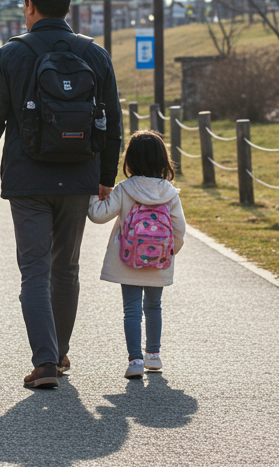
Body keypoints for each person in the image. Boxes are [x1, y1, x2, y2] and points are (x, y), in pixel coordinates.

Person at [0, 0, 122, 389]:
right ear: (68, 6)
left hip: (28, 179)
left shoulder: (13, 54)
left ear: (29, 6)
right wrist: (105, 177)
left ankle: (45, 361)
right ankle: (60, 352)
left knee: (34, 270)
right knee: (66, 268)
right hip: (78, 176)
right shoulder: (94, 54)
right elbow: (112, 124)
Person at [87, 131, 186, 379]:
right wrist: (165, 255)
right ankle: (153, 355)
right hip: (158, 264)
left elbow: (98, 215)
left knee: (132, 309)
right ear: (163, 159)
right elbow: (180, 230)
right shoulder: (170, 193)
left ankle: (135, 360)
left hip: (127, 261)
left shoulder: (125, 189)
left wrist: (91, 192)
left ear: (130, 160)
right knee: (154, 306)